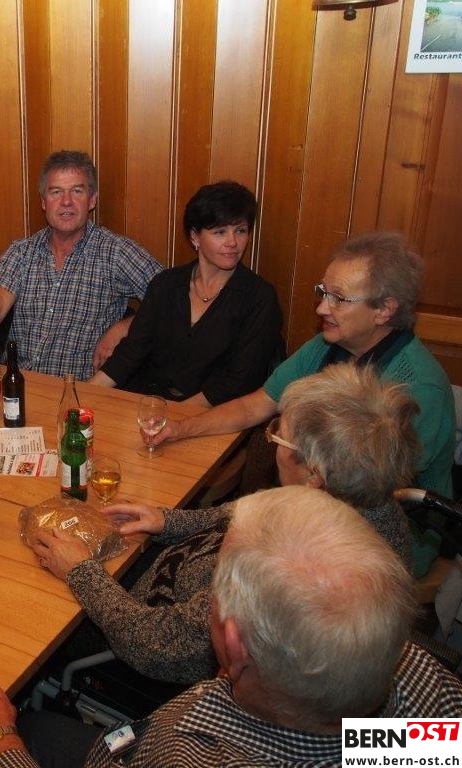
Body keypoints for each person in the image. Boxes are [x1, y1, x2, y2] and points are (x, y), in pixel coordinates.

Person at [0, 486, 462, 768]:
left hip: (126, 750)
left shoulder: (190, 755)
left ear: (232, 641)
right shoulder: (429, 686)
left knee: (32, 728)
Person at [34, 363, 417, 688]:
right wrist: (166, 520)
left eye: (279, 436)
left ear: (313, 473)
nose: (273, 444)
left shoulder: (295, 570)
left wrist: (82, 573)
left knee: (36, 620)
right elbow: (243, 512)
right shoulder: (350, 494)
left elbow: (157, 646)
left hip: (135, 640)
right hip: (154, 583)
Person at [151, 232, 453, 560]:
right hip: (316, 502)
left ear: (384, 310)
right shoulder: (327, 345)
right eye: (324, 292)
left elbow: (373, 500)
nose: (322, 307)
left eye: (339, 298)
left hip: (383, 542)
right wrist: (181, 428)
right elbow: (254, 406)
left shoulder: (419, 388)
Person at [0, 150, 162, 382]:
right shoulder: (21, 252)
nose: (66, 202)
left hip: (80, 392)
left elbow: (174, 299)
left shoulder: (116, 252)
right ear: (43, 202)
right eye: (56, 192)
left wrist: (124, 328)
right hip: (18, 384)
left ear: (92, 199)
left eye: (77, 191)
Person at [90, 181, 283, 405]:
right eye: (220, 232)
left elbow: (238, 382)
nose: (232, 242)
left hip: (214, 414)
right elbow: (130, 354)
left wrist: (176, 417)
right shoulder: (166, 285)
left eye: (240, 231)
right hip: (149, 405)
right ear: (195, 237)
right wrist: (82, 394)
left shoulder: (259, 297)